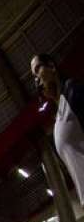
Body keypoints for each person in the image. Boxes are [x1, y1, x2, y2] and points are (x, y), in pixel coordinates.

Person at [31, 53, 84, 204]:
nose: (36, 80)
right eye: (33, 77)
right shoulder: (58, 118)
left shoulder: (73, 91)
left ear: (52, 66)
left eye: (37, 70)